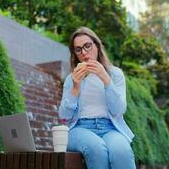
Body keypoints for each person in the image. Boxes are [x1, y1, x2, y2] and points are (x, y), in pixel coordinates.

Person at [58, 27, 136, 169]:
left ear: (97, 46)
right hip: (79, 128)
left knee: (121, 151)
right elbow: (64, 116)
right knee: (96, 149)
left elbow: (119, 109)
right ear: (75, 54)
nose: (84, 52)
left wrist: (105, 78)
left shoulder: (115, 74)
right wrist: (75, 87)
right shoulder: (72, 78)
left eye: (87, 46)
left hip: (110, 128)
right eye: (78, 49)